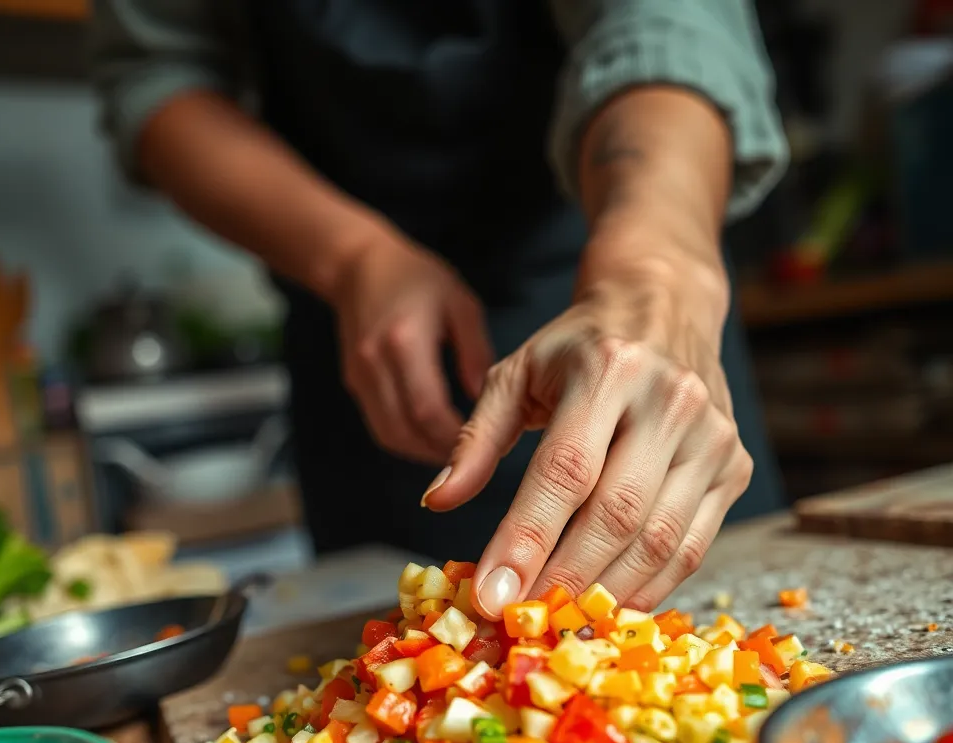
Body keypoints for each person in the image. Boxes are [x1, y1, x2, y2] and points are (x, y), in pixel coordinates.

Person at [91, 1, 788, 620]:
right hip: (359, 343)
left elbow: (665, 20)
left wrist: (655, 268)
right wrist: (355, 257)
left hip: (604, 261)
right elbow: (160, 83)